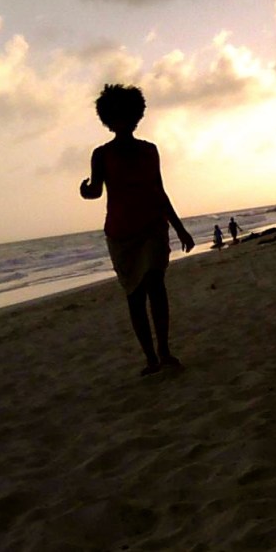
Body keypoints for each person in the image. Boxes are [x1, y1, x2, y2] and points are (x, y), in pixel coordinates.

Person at [80, 84, 195, 376]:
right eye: (116, 116)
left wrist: (180, 229)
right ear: (108, 119)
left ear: (135, 116)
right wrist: (85, 191)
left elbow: (159, 191)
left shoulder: (149, 151)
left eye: (127, 115)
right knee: (134, 295)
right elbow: (96, 191)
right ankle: (150, 358)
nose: (123, 121)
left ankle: (165, 351)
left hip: (153, 226)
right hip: (120, 234)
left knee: (156, 286)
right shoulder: (101, 155)